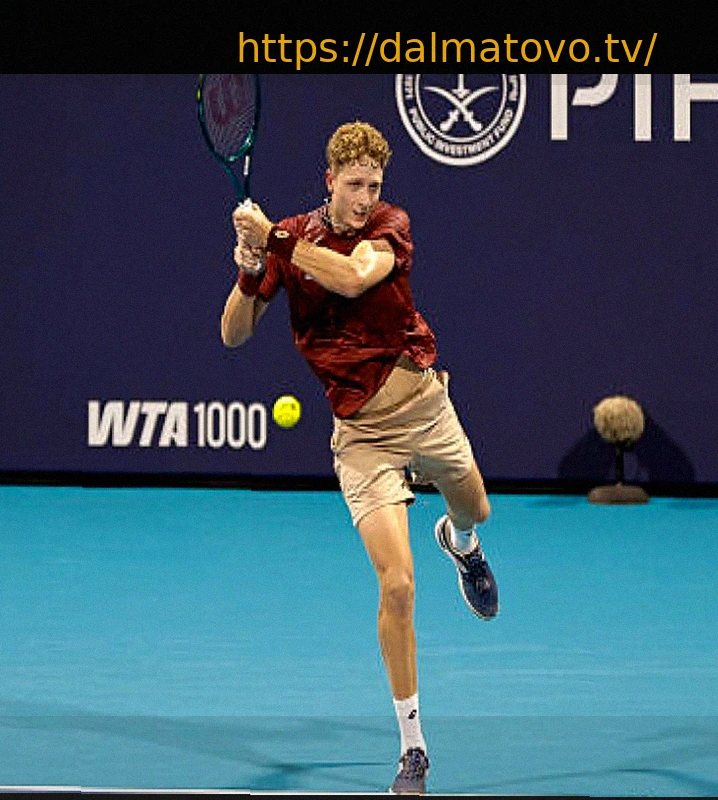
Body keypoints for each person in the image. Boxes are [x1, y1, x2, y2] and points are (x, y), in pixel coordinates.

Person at [221, 121, 497, 795]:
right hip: (361, 438)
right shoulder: (291, 237)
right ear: (329, 181)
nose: (366, 198)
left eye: (374, 185)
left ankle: (460, 542)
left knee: (476, 507)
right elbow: (233, 333)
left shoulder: (389, 227)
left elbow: (350, 278)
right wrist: (252, 269)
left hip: (425, 410)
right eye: (354, 186)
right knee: (397, 586)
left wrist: (274, 240)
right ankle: (413, 749)